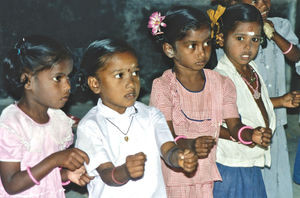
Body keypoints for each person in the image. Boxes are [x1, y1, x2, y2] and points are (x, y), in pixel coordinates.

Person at [148, 6, 272, 197]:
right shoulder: (163, 87)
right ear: (170, 49)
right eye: (192, 45)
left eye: (207, 43)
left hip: (207, 176)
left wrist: (250, 135)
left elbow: (234, 125)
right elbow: (164, 135)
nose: (202, 52)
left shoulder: (221, 83)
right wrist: (190, 144)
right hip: (175, 178)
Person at [75, 38, 199, 198]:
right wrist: (125, 171)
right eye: (119, 75)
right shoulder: (90, 126)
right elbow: (106, 174)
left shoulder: (151, 115)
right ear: (95, 83)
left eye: (135, 73)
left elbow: (168, 148)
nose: (131, 83)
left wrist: (179, 158)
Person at [211, 1, 300, 197]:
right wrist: (247, 135)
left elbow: (253, 99)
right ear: (220, 39)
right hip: (232, 164)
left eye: (255, 40)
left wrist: (281, 101)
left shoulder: (251, 68)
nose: (248, 47)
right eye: (240, 38)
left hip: (251, 160)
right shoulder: (221, 78)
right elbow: (210, 124)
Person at [0, 35, 92, 197]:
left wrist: (66, 175)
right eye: (58, 78)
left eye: (68, 77)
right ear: (26, 79)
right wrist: (55, 159)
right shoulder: (12, 123)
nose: (67, 86)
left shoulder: (58, 120)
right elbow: (11, 184)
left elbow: (46, 175)